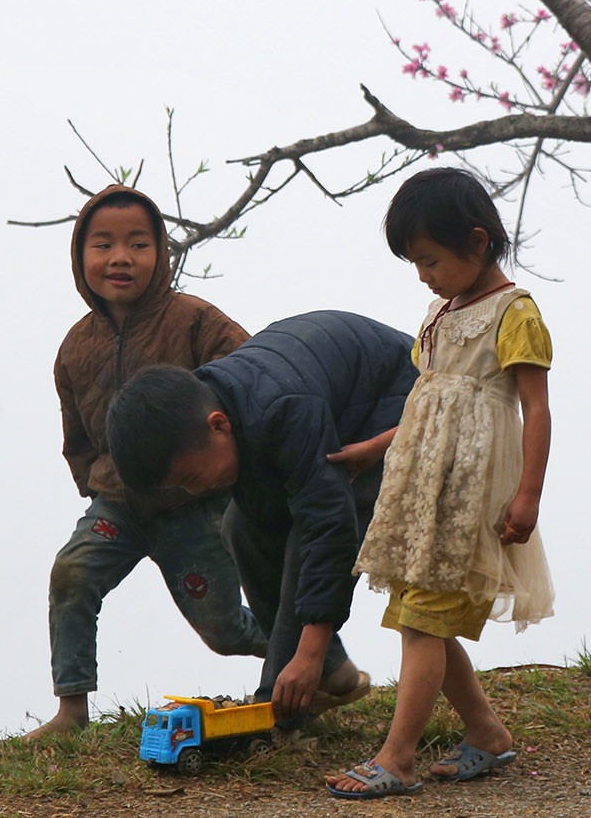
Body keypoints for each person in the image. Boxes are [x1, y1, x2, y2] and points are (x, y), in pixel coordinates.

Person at [325, 167, 556, 800]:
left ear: (477, 243)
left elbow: (535, 408)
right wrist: (373, 449)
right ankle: (486, 733)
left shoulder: (514, 313)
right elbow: (426, 403)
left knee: (425, 621)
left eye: (429, 260)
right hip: (423, 492)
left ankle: (398, 758)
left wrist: (528, 494)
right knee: (419, 616)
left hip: (470, 496)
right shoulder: (439, 314)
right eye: (414, 264)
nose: (423, 275)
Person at [28, 185, 268, 740]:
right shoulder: (74, 348)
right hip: (117, 504)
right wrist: (94, 484)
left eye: (138, 243)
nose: (119, 257)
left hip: (195, 506)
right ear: (79, 257)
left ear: (161, 253)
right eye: (103, 244)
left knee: (226, 631)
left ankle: (318, 656)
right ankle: (71, 711)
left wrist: (231, 476)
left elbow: (250, 377)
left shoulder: (194, 320)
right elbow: (77, 435)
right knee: (72, 574)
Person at [105, 309, 419, 721]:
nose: (195, 492)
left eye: (193, 478)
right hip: (331, 414)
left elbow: (328, 528)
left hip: (396, 407)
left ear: (218, 426)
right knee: (239, 528)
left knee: (307, 536)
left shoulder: (281, 407)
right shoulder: (218, 405)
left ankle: (287, 695)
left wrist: (308, 650)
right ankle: (326, 675)